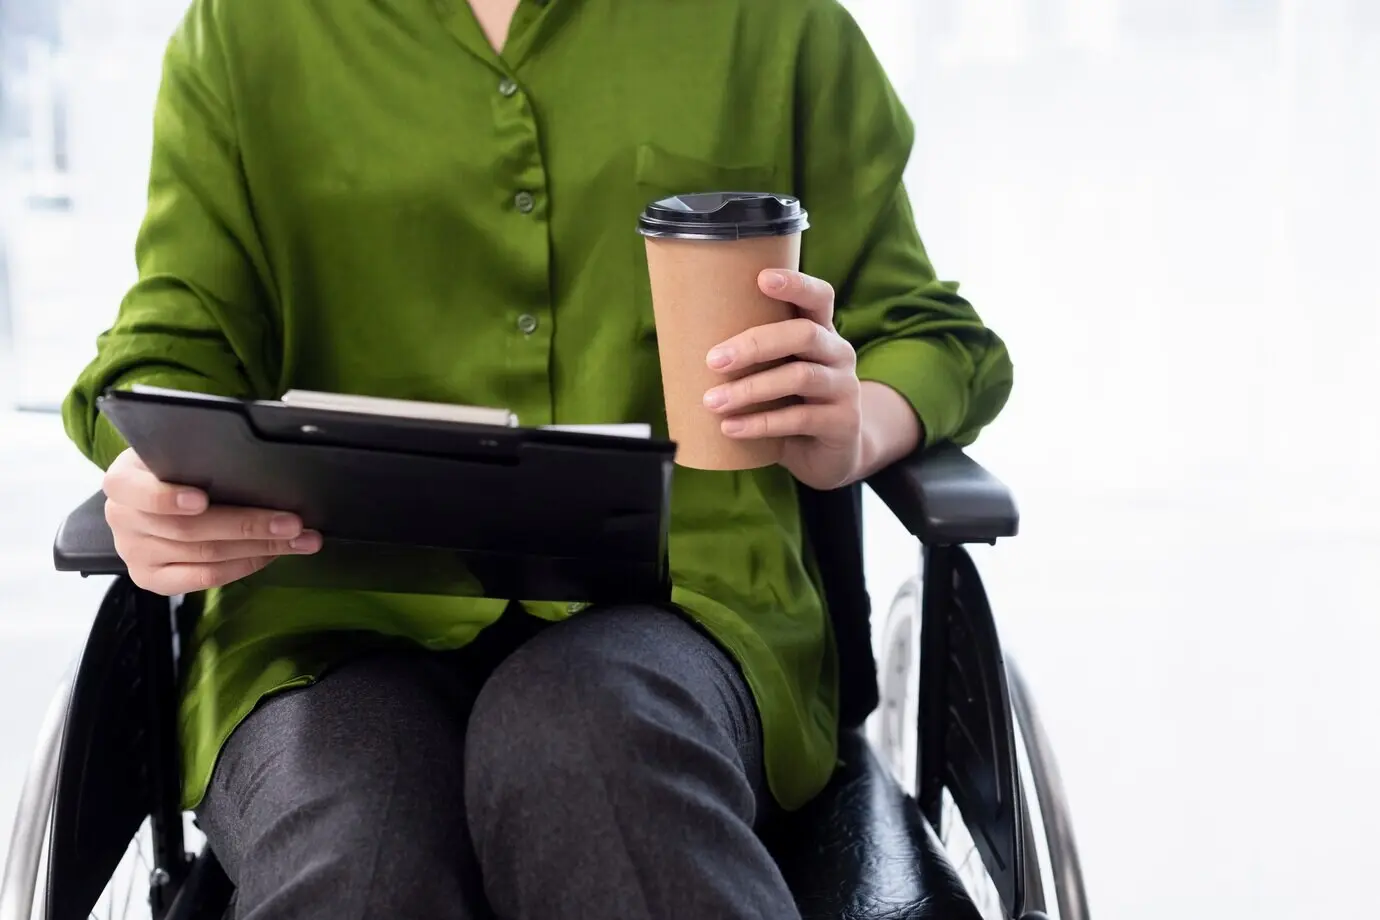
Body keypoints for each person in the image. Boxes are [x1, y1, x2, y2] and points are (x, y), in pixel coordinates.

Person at [63, 0, 1013, 917]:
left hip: (686, 612)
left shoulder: (773, 22)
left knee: (582, 748)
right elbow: (172, 339)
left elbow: (926, 333)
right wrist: (152, 473)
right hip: (325, 620)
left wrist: (856, 425)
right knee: (357, 850)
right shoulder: (245, 29)